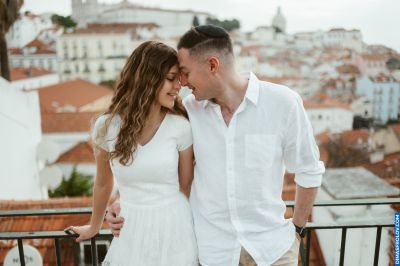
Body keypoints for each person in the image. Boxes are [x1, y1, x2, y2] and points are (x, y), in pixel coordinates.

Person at [107, 25, 325, 266]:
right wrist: (121, 202)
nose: (183, 82)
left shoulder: (283, 103)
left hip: (273, 251)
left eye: (186, 72)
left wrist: (297, 229)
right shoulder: (187, 113)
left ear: (212, 65)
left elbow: (309, 169)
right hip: (214, 254)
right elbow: (150, 160)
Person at [65, 41, 198, 266]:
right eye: (170, 78)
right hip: (130, 229)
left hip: (174, 229)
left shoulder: (180, 127)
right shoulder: (106, 127)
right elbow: (102, 183)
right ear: (147, 78)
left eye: (179, 78)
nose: (179, 85)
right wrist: (94, 225)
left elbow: (186, 187)